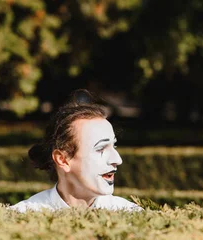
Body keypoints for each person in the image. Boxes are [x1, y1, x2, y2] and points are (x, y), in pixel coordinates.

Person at [11, 90, 142, 212]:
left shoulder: (134, 216)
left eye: (114, 146)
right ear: (62, 159)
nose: (117, 160)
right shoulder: (21, 215)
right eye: (101, 148)